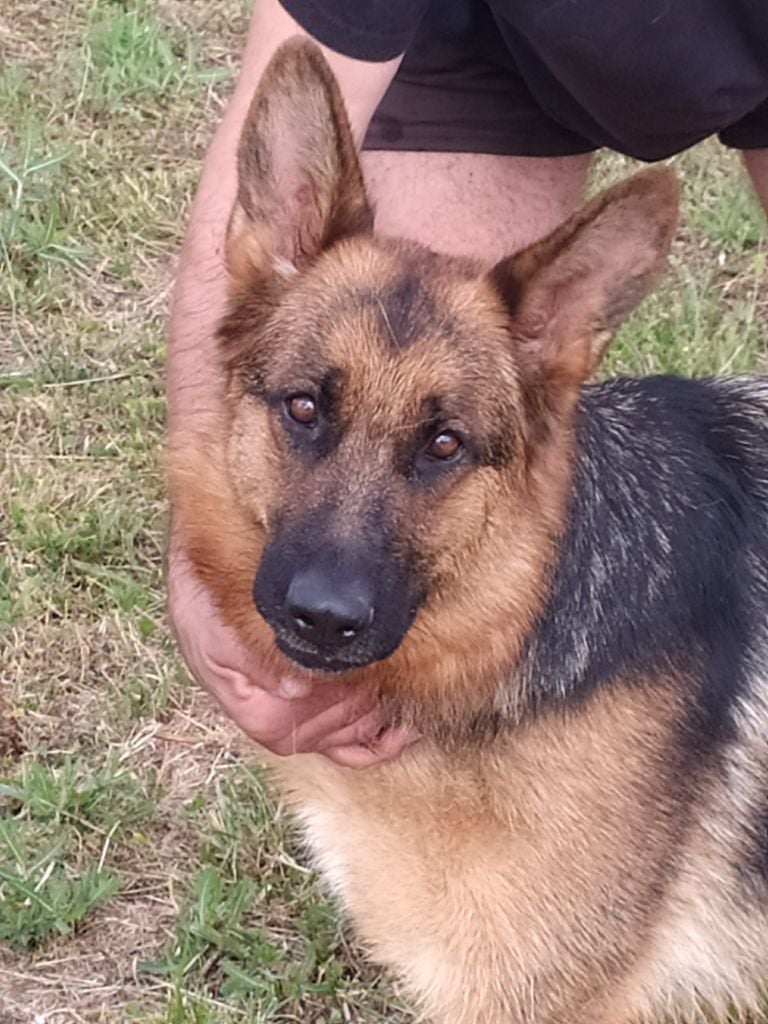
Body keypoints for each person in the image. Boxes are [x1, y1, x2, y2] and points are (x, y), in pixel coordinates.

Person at [167, 0, 768, 768]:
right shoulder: (285, 264)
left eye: (441, 445)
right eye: (306, 409)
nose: (329, 596)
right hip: (478, 35)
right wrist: (192, 566)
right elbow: (272, 135)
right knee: (355, 722)